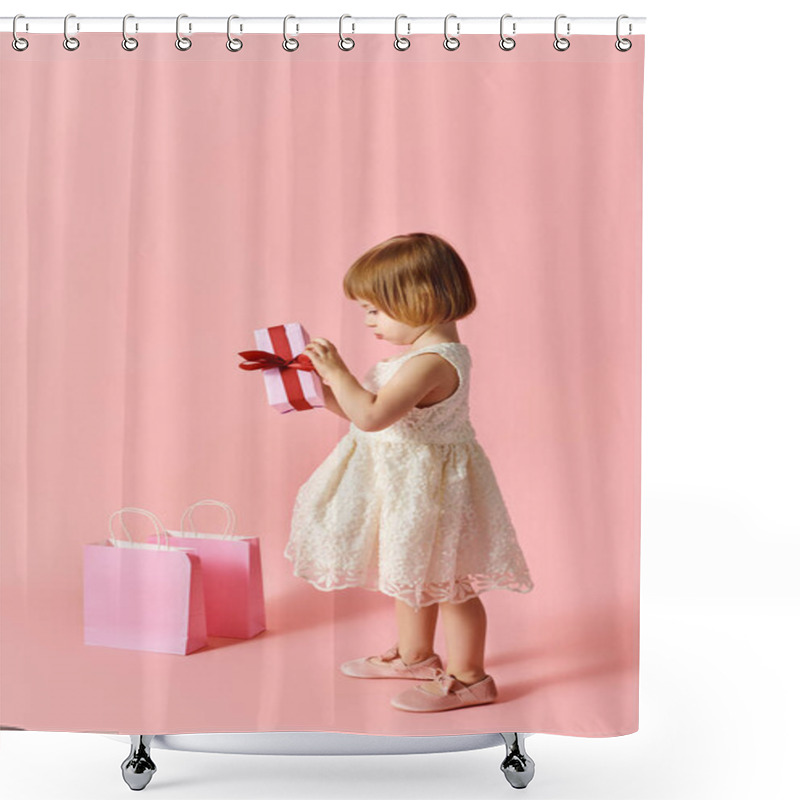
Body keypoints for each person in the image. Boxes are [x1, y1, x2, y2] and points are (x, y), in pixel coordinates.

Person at [285, 232, 534, 712]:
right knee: (412, 569)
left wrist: (337, 372)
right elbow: (368, 413)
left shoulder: (434, 362)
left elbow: (373, 416)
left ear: (420, 300)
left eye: (376, 309)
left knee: (452, 582)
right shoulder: (417, 359)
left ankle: (469, 678)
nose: (368, 320)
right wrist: (316, 390)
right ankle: (416, 655)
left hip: (433, 489)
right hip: (407, 486)